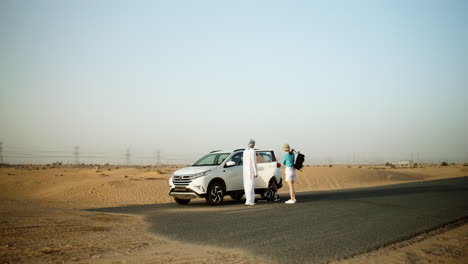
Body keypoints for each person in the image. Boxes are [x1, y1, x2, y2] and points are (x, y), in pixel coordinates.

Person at [243, 139, 258, 206]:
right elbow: (253, 162)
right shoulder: (253, 151)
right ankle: (250, 200)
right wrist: (256, 172)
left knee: (246, 185)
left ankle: (247, 200)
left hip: (245, 171)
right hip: (250, 170)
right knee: (250, 185)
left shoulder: (245, 151)